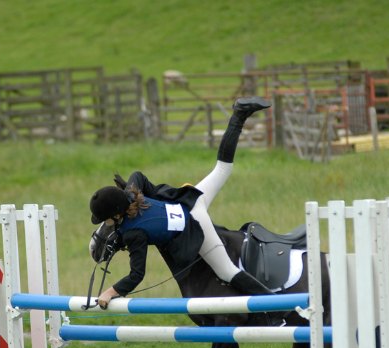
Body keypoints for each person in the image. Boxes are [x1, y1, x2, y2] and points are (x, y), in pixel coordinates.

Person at [89, 97, 272, 308]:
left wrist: (110, 292)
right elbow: (137, 174)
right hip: (190, 200)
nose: (106, 224)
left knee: (227, 272)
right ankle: (239, 114)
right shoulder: (132, 191)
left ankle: (280, 308)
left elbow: (137, 275)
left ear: (116, 215)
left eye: (106, 220)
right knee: (223, 168)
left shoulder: (134, 233)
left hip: (196, 223)